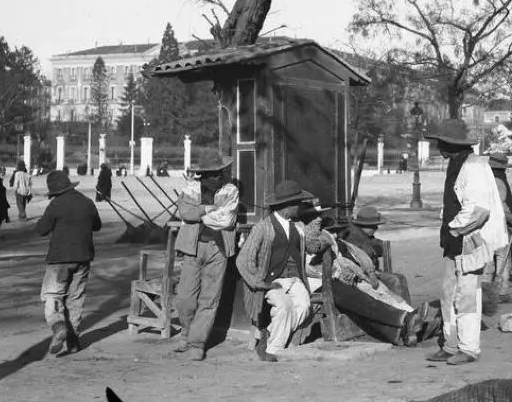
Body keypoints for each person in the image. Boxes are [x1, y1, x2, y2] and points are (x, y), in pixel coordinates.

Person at [424, 119, 507, 366]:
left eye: (440, 142)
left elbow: (478, 210)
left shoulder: (474, 168)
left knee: (467, 295)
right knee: (448, 293)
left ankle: (469, 348)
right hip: (454, 241)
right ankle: (450, 344)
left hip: (470, 240)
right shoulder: (457, 164)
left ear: (450, 144)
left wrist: (454, 229)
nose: (438, 146)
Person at [305, 213, 427, 347]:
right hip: (323, 284)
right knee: (363, 299)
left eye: (336, 232)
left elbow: (350, 261)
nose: (334, 235)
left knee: (375, 293)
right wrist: (338, 272)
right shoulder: (314, 245)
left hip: (342, 281)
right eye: (330, 232)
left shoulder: (336, 244)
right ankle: (405, 319)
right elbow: (310, 268)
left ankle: (406, 327)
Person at [235, 180, 314, 362]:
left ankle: (268, 332)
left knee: (304, 307)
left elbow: (311, 247)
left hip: (295, 280)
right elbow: (243, 259)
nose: (299, 208)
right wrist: (259, 282)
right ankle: (273, 348)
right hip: (272, 281)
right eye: (297, 204)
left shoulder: (299, 227)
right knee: (284, 307)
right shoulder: (263, 227)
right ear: (287, 206)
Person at [172, 149, 239, 361]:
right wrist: (209, 209)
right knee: (185, 298)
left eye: (220, 172)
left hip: (217, 249)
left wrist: (200, 214)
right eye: (213, 173)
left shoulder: (231, 190)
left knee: (209, 298)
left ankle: (196, 343)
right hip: (192, 248)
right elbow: (186, 213)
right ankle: (186, 332)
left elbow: (226, 219)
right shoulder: (190, 189)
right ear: (204, 175)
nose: (218, 177)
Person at [36, 170, 102, 356]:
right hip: (83, 257)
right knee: (75, 300)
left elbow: (41, 229)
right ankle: (73, 342)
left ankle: (58, 326)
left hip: (59, 259)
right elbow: (97, 226)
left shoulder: (56, 205)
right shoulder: (87, 203)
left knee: (53, 296)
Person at [339, 206, 411, 303]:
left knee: (400, 278)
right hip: (361, 275)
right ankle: (402, 310)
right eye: (374, 226)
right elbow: (363, 256)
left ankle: (405, 308)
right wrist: (374, 250)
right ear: (365, 225)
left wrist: (376, 247)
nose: (376, 228)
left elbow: (377, 244)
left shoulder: (363, 234)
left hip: (369, 272)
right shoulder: (353, 236)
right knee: (394, 280)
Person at [487, 153, 512, 303]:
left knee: (488, 260)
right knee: (503, 259)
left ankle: (485, 293)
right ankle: (501, 293)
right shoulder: (498, 181)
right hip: (497, 226)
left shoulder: (484, 179)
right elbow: (502, 205)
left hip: (485, 226)